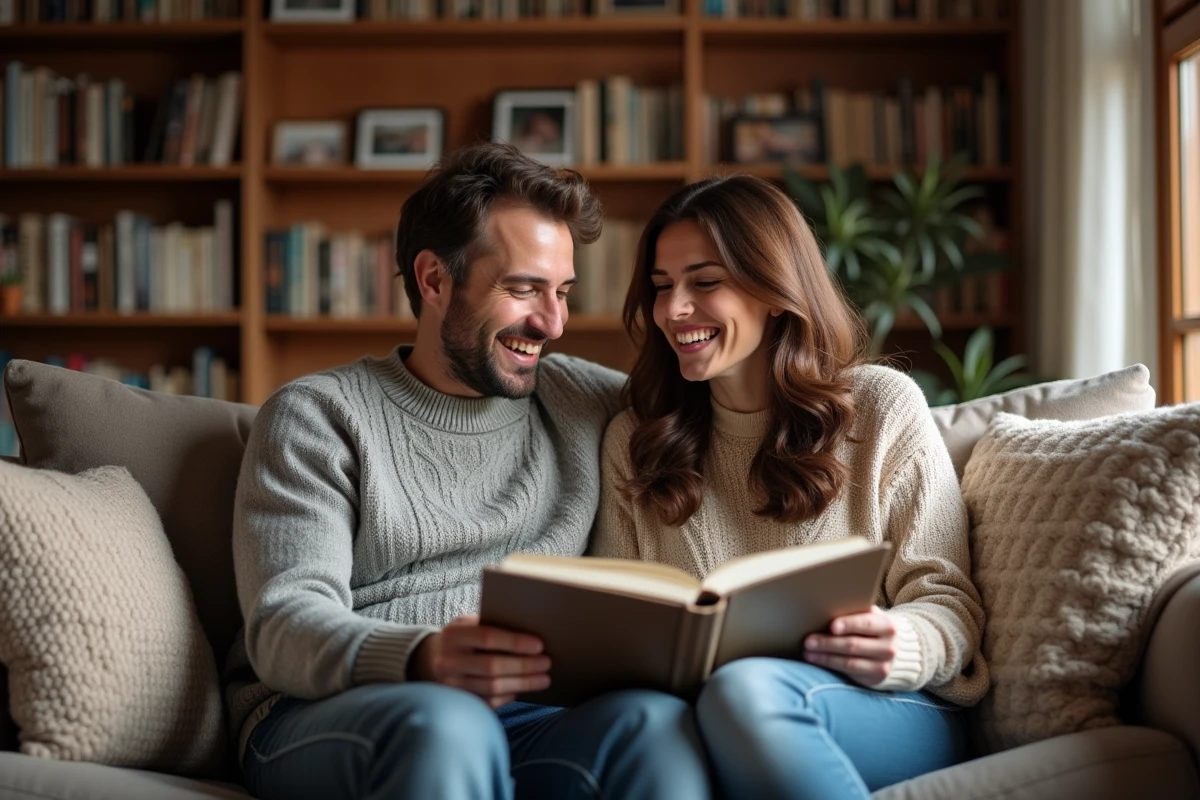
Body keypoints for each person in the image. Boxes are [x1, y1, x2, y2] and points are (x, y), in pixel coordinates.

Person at [225, 142, 713, 800]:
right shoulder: (319, 416)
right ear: (433, 280)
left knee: (653, 725)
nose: (553, 323)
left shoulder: (581, 400)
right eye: (524, 289)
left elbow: (735, 405)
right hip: (331, 706)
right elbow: (283, 625)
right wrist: (422, 656)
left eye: (562, 292)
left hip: (528, 712)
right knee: (451, 728)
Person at [592, 175, 989, 800]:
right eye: (663, 286)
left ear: (774, 290)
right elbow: (617, 633)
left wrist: (904, 642)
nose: (674, 310)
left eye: (705, 282)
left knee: (746, 690)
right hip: (707, 718)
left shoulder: (882, 408)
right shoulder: (635, 442)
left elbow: (947, 598)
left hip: (884, 705)